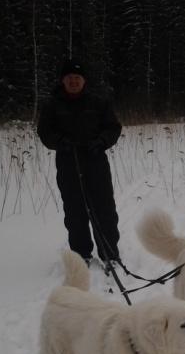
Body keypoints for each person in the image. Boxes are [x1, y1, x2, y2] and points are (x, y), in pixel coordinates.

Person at [37, 58, 122, 266]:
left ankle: (109, 253)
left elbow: (113, 127)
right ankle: (81, 254)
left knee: (104, 209)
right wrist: (60, 142)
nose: (73, 81)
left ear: (83, 81)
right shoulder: (51, 104)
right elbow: (45, 132)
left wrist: (101, 142)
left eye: (77, 78)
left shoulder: (99, 102)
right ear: (63, 81)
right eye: (69, 78)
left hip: (96, 162)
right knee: (75, 211)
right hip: (68, 163)